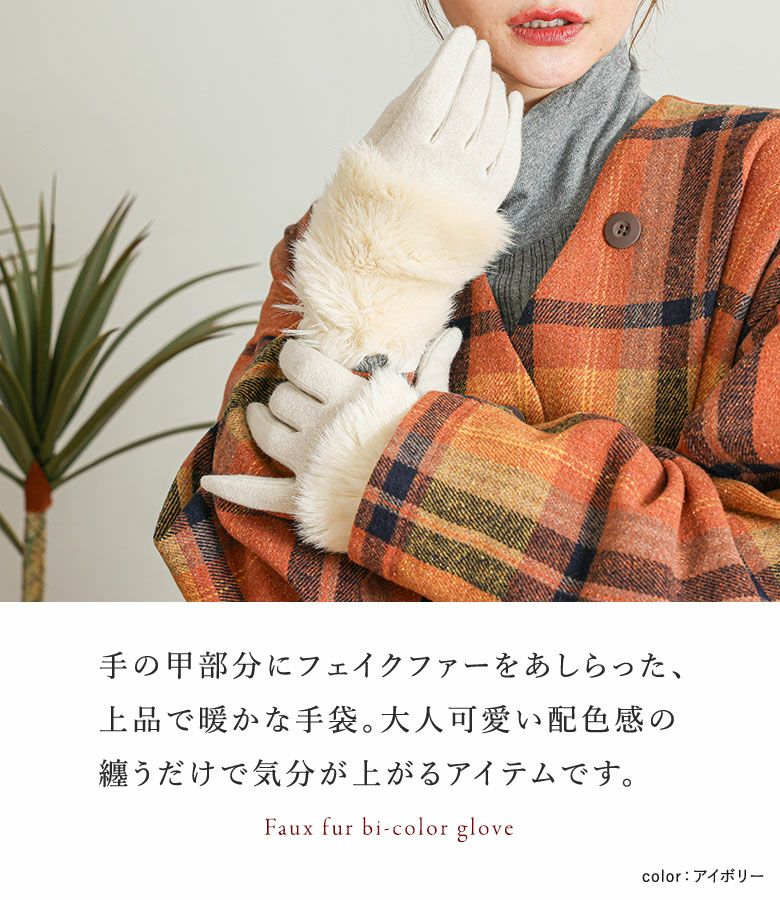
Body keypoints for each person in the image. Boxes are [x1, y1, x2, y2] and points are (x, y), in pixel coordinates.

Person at [154, 1, 780, 602]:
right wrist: (375, 278)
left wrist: (408, 475)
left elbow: (758, 578)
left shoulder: (759, 176)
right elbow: (232, 559)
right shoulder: (349, 229)